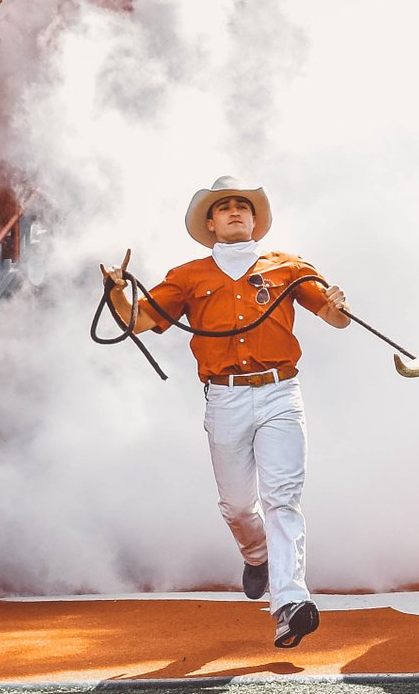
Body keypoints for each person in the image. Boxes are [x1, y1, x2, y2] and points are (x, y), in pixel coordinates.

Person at [99, 176, 350, 649]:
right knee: (237, 505)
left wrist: (339, 304)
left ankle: (289, 604)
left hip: (280, 392)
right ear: (210, 224)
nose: (235, 212)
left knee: (282, 498)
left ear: (254, 219)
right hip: (225, 396)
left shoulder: (289, 266)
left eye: (243, 206)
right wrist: (115, 291)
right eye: (225, 207)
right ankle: (255, 555)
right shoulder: (188, 275)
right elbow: (139, 320)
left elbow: (334, 318)